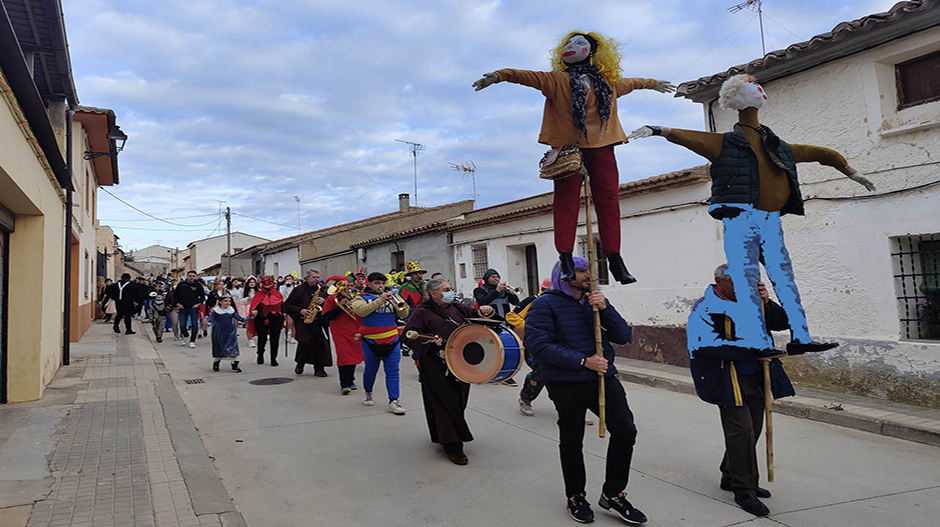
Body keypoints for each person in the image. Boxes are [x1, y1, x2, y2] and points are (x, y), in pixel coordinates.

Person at [629, 73, 875, 357]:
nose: (760, 90)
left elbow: (822, 154)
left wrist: (852, 172)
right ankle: (757, 341)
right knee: (747, 280)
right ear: (737, 97)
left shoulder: (777, 146)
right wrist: (659, 129)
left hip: (771, 218)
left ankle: (800, 337)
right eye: (753, 87)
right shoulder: (726, 143)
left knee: (784, 279)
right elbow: (690, 137)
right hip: (740, 217)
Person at [472, 31, 675, 285]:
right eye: (568, 43)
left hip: (602, 146)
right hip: (569, 150)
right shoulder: (556, 81)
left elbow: (634, 83)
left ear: (592, 51)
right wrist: (499, 75)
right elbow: (524, 76)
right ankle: (566, 258)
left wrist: (655, 83)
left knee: (609, 203)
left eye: (579, 43)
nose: (571, 46)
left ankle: (615, 259)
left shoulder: (609, 83)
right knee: (565, 204)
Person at [525, 257, 645, 524]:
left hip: (602, 377)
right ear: (565, 274)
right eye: (580, 270)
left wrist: (606, 308)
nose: (588, 274)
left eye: (589, 269)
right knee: (572, 439)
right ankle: (576, 496)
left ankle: (613, 494)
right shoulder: (544, 304)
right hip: (565, 381)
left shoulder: (595, 301)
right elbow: (538, 345)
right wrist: (582, 360)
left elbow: (623, 336)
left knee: (625, 430)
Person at [687, 265, 795, 517]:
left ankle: (730, 474)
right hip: (727, 378)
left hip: (757, 376)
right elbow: (704, 345)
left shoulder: (752, 302)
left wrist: (767, 303)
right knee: (742, 430)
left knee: (753, 429)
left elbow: (781, 323)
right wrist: (753, 351)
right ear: (719, 282)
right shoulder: (704, 307)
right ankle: (744, 489)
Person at [403, 279, 494, 464]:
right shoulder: (421, 312)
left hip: (460, 361)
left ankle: (443, 434)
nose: (450, 292)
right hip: (434, 363)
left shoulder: (458, 307)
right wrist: (429, 342)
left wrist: (486, 311)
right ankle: (453, 445)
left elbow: (476, 314)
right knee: (445, 402)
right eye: (446, 289)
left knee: (459, 399)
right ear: (433, 293)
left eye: (451, 288)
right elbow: (409, 336)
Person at [349, 272, 410, 415]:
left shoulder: (392, 297)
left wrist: (398, 301)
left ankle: (394, 401)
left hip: (392, 339)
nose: (380, 286)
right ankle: (368, 393)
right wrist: (380, 300)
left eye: (382, 283)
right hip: (371, 340)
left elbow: (403, 314)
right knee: (371, 369)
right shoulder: (360, 297)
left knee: (393, 371)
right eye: (377, 283)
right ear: (369, 284)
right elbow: (362, 312)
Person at [473, 268, 521, 386]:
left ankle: (506, 375)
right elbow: (482, 301)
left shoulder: (504, 290)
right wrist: (496, 290)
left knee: (507, 349)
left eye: (497, 276)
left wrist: (511, 292)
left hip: (505, 322)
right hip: (490, 322)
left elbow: (515, 302)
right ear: (487, 278)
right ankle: (489, 373)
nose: (496, 279)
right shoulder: (479, 290)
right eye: (493, 277)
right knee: (490, 350)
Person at [284, 270, 333, 376]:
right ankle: (300, 363)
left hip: (319, 321)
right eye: (314, 277)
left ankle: (319, 368)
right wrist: (300, 310)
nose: (317, 280)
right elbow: (288, 304)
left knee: (321, 345)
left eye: (318, 277)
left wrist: (324, 300)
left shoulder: (323, 289)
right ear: (307, 278)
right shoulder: (298, 290)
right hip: (303, 321)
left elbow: (332, 300)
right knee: (304, 343)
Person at [322, 276, 363, 394]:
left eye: (350, 286)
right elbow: (326, 316)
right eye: (345, 286)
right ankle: (344, 383)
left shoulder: (356, 298)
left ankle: (351, 379)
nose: (348, 288)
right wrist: (340, 307)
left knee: (354, 354)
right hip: (340, 331)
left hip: (355, 329)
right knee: (343, 355)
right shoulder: (331, 299)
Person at [250, 276, 286, 367]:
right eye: (265, 283)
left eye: (269, 282)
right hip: (261, 318)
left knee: (275, 339)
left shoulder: (277, 294)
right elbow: (254, 306)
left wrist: (285, 313)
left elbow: (282, 305)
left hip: (276, 318)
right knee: (262, 338)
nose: (267, 285)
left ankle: (273, 358)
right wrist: (253, 311)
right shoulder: (258, 295)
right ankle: (260, 354)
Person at [210, 295, 248, 373]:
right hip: (219, 332)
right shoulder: (216, 311)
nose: (228, 303)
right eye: (225, 301)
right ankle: (216, 362)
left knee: (232, 347)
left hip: (230, 332)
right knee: (219, 347)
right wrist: (208, 323)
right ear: (220, 302)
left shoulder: (231, 310)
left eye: (229, 301)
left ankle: (234, 365)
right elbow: (212, 320)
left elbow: (239, 318)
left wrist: (249, 318)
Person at [174, 270, 206, 349]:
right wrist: (178, 304)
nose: (191, 277)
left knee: (195, 325)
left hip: (193, 308)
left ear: (195, 277)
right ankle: (185, 335)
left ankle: (192, 341)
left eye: (193, 276)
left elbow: (202, 297)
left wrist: (198, 304)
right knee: (182, 325)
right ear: (187, 276)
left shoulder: (198, 285)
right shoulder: (181, 285)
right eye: (190, 276)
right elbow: (175, 296)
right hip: (183, 308)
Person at [279, 274, 298, 344]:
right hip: (286, 305)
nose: (289, 280)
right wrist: (285, 287)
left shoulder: (296, 287)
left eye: (290, 279)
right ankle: (286, 332)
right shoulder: (282, 287)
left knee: (294, 323)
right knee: (289, 322)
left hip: (294, 306)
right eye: (287, 279)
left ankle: (293, 336)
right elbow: (281, 295)